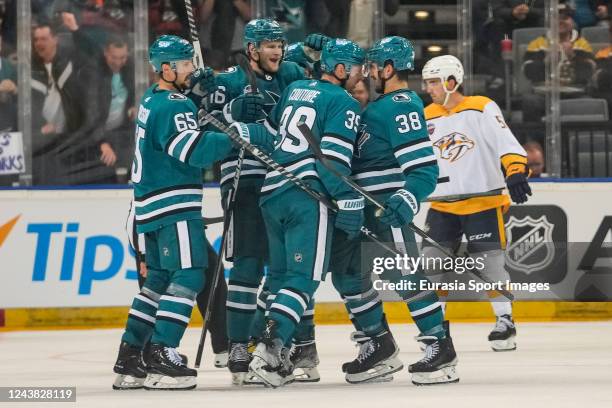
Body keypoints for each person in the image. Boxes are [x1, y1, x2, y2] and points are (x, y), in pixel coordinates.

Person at [112, 34, 273, 391]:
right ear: (167, 68)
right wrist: (238, 132)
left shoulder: (154, 100)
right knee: (189, 276)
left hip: (149, 207)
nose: (192, 69)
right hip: (174, 205)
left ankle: (129, 356)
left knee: (156, 283)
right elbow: (196, 151)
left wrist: (199, 98)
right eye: (186, 64)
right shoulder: (173, 104)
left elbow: (178, 131)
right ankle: (162, 353)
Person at [334, 36, 458, 386]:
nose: (369, 72)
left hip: (386, 206)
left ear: (388, 68)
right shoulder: (379, 106)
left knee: (403, 276)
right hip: (364, 210)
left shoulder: (399, 105)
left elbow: (423, 169)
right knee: (348, 275)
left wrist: (406, 198)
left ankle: (440, 347)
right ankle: (378, 346)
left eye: (374, 66)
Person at [207, 20, 323, 385]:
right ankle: (239, 344)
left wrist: (314, 57)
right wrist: (229, 114)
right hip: (244, 180)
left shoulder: (290, 72)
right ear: (252, 49)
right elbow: (200, 124)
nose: (276, 50)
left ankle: (302, 344)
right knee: (247, 268)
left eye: (280, 44)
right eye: (268, 45)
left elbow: (315, 96)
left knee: (290, 272)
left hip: (285, 181)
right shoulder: (227, 81)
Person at [248, 38, 365, 388]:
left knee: (283, 278)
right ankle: (269, 351)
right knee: (302, 280)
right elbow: (331, 162)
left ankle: (276, 353)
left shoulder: (297, 87)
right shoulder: (343, 101)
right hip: (306, 196)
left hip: (271, 191)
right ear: (341, 69)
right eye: (356, 68)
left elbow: (268, 134)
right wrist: (350, 201)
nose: (361, 76)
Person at [422, 54, 531, 352]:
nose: (429, 88)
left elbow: (505, 142)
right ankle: (435, 327)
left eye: (434, 82)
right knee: (431, 265)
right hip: (442, 205)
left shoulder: (481, 107)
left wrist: (516, 170)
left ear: (452, 81)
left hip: (483, 201)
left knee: (490, 264)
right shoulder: (425, 115)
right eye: (427, 82)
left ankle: (504, 320)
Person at [522, 3, 597, 121]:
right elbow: (528, 71)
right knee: (530, 101)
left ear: (572, 21)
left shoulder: (582, 44)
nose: (561, 21)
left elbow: (589, 72)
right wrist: (546, 60)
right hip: (545, 94)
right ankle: (534, 139)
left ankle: (578, 139)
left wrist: (573, 56)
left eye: (565, 18)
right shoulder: (537, 43)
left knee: (588, 102)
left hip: (574, 93)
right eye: (556, 18)